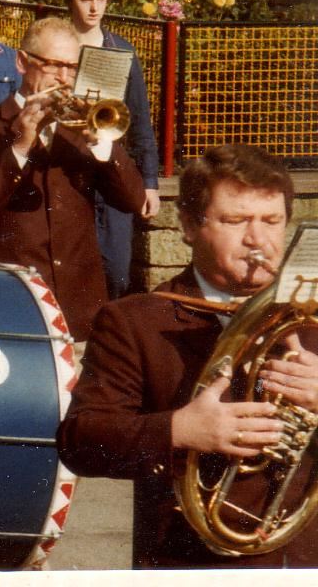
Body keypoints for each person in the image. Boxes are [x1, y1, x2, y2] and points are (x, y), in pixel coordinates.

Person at [58, 144, 318, 568]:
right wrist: (178, 429)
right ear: (188, 225)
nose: (257, 239)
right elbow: (80, 441)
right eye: (235, 221)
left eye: (272, 221)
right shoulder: (136, 320)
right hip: (191, 562)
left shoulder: (311, 318)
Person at [0, 15, 145, 341]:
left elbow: (132, 200)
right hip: (16, 304)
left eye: (72, 68)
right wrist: (21, 144)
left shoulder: (82, 129)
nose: (64, 78)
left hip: (81, 307)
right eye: (53, 66)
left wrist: (103, 145)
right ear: (22, 62)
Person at [63, 0, 162, 298]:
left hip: (113, 172)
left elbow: (140, 120)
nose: (94, 7)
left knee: (117, 272)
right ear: (70, 1)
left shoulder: (122, 51)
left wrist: (149, 182)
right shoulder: (60, 47)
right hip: (69, 168)